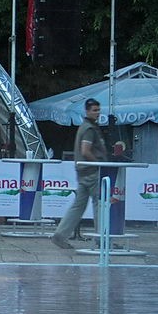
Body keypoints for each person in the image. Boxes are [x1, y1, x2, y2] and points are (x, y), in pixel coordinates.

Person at [51, 98, 107, 249]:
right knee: (99, 204)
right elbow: (85, 150)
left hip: (83, 172)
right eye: (94, 110)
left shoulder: (84, 127)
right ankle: (102, 239)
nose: (97, 113)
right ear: (87, 111)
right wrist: (98, 163)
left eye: (98, 110)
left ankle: (60, 235)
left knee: (78, 206)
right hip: (92, 172)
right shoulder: (90, 129)